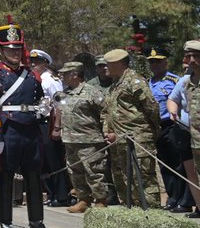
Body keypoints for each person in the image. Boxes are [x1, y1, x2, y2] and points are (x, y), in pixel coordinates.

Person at [0, 17, 55, 228]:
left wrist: (44, 110)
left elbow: (40, 100)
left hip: (30, 130)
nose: (14, 53)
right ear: (2, 50)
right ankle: (6, 225)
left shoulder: (31, 75)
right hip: (9, 130)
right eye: (9, 49)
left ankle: (36, 224)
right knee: (6, 178)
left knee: (33, 178)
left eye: (17, 49)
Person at [102, 48, 161, 208]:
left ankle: (151, 214)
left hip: (137, 140)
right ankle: (132, 212)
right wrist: (109, 132)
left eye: (108, 64)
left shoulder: (134, 81)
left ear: (119, 64)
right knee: (125, 179)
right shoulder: (115, 84)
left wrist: (151, 131)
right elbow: (109, 112)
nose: (105, 67)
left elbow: (151, 107)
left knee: (143, 179)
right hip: (120, 141)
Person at [58, 61, 109, 212]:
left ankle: (101, 200)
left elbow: (105, 112)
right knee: (75, 171)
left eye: (65, 73)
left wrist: (106, 131)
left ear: (75, 74)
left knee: (94, 171)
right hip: (70, 139)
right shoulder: (65, 92)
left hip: (89, 140)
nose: (62, 76)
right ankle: (83, 199)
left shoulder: (91, 92)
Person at [147, 48, 190, 212]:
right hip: (157, 127)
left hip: (173, 125)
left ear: (166, 62)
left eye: (158, 61)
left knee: (178, 164)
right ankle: (172, 198)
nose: (154, 65)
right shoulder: (148, 82)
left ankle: (183, 201)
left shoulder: (174, 80)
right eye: (151, 62)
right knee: (164, 165)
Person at [30, 49, 70, 207]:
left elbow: (59, 103)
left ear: (45, 63)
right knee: (43, 160)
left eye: (37, 62)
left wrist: (57, 127)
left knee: (54, 160)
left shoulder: (50, 80)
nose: (33, 64)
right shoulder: (32, 78)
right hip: (37, 122)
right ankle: (51, 193)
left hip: (49, 122)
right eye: (31, 61)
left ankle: (61, 195)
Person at [166, 40, 200, 217]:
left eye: (196, 56)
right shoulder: (185, 81)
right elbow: (172, 98)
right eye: (190, 56)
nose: (192, 60)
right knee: (192, 174)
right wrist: (173, 112)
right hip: (188, 135)